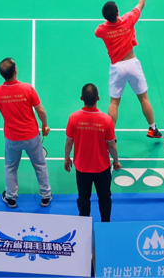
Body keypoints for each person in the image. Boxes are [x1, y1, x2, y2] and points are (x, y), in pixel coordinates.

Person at [95, 0, 161, 137]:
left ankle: (110, 136)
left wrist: (109, 23)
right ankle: (152, 128)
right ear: (118, 12)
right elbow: (141, 4)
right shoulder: (128, 19)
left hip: (117, 67)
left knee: (114, 103)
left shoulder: (102, 30)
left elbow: (98, 31)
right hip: (133, 64)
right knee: (144, 98)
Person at [0, 57, 52, 208]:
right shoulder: (27, 89)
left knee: (10, 168)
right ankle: (45, 196)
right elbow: (40, 110)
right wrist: (45, 125)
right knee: (40, 165)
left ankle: (11, 197)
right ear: (15, 70)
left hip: (12, 139)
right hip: (31, 137)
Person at [64, 83, 121, 223]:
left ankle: (84, 223)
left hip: (82, 168)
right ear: (98, 98)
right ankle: (105, 223)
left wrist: (67, 158)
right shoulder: (106, 120)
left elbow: (69, 142)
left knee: (83, 197)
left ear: (81, 98)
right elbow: (111, 145)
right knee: (105, 197)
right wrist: (116, 161)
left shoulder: (73, 118)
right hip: (102, 168)